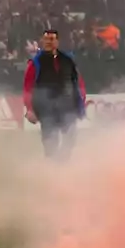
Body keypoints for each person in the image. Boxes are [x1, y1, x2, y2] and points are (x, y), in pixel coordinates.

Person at [22, 30, 86, 160]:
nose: (48, 42)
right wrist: (29, 109)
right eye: (46, 40)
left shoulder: (68, 60)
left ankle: (62, 161)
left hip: (67, 106)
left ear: (57, 42)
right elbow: (28, 87)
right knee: (50, 141)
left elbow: (78, 82)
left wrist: (81, 101)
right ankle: (52, 168)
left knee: (71, 136)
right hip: (46, 108)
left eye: (51, 39)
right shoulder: (36, 63)